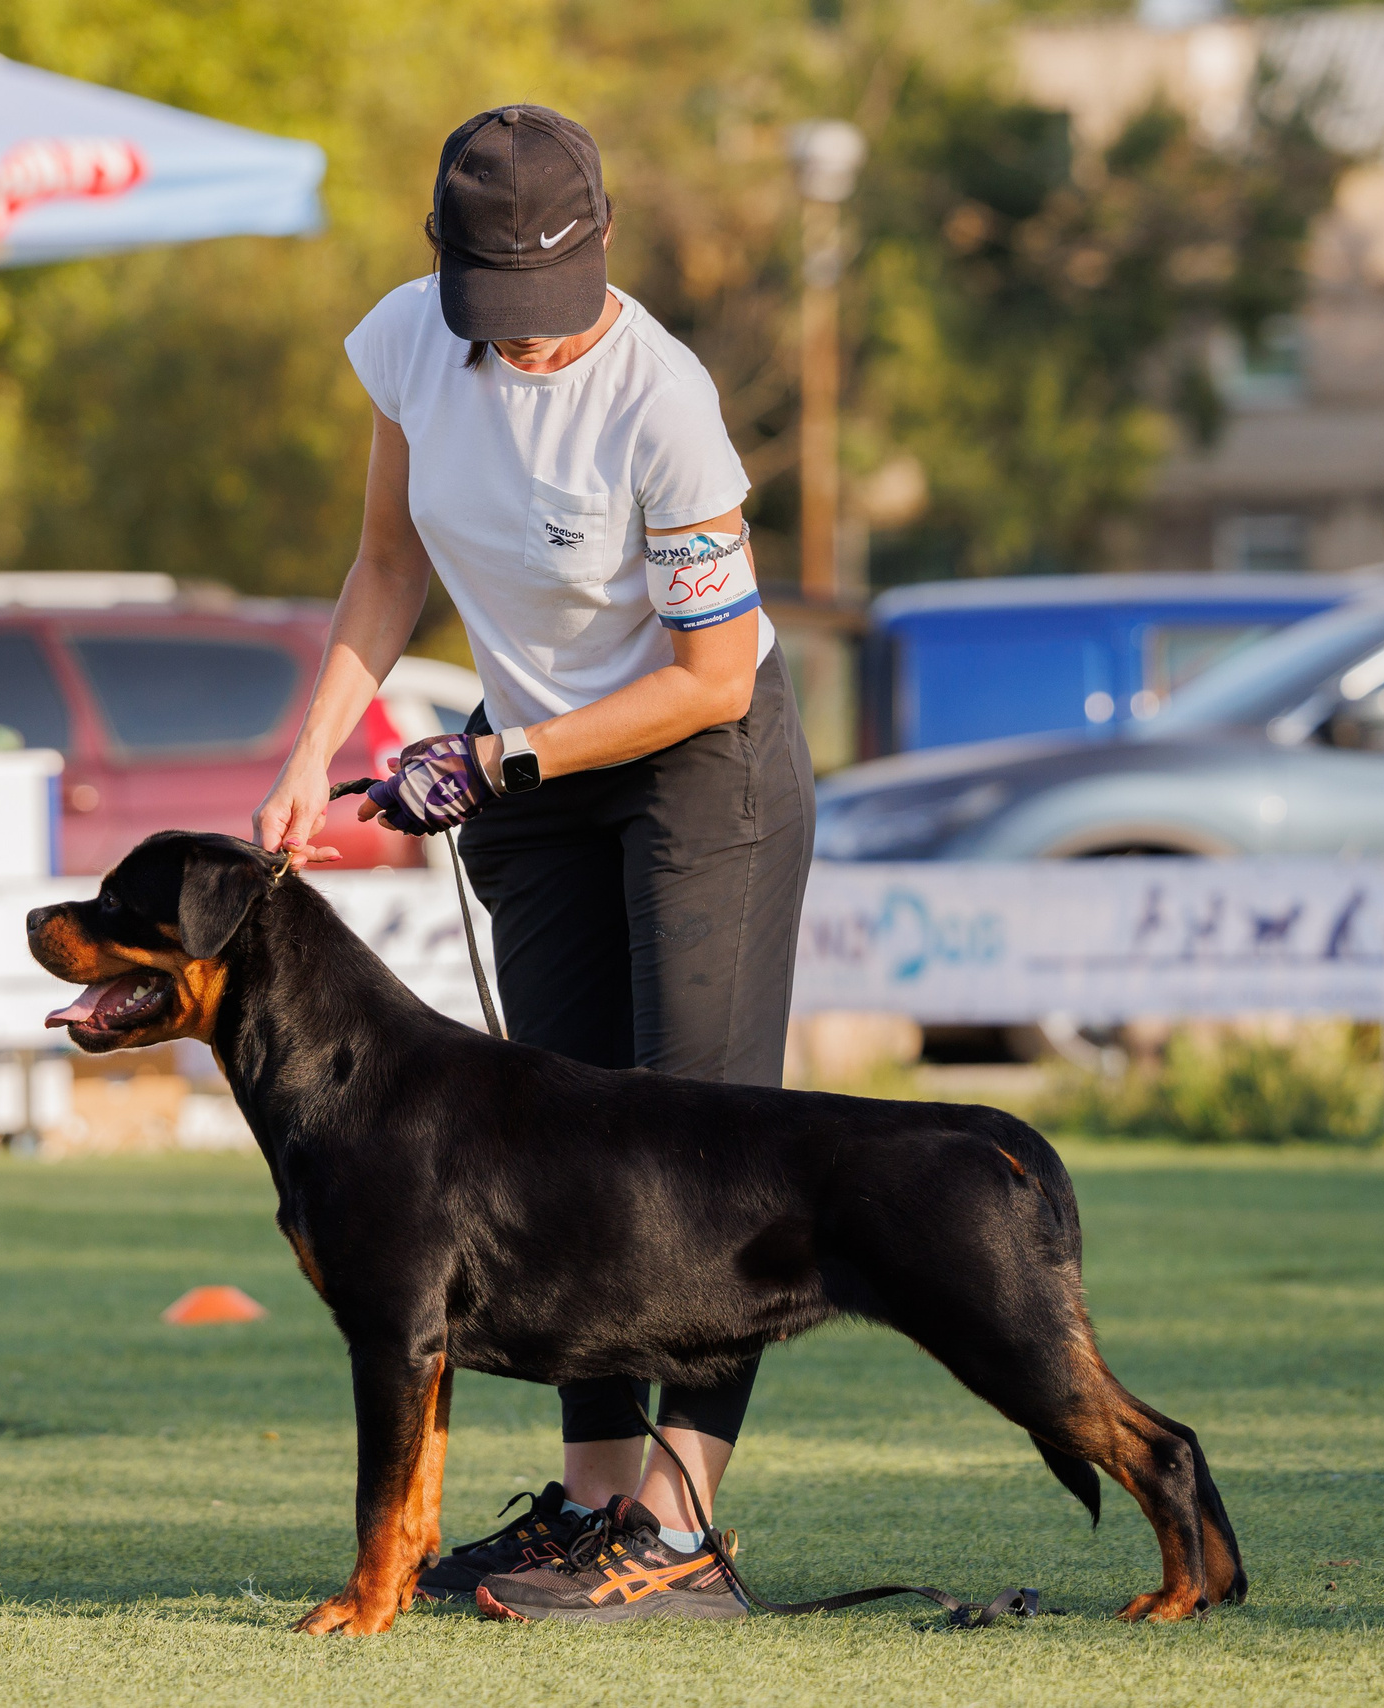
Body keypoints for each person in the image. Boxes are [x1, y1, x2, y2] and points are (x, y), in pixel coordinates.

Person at [253, 103, 815, 1624]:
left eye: (553, 321)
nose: (532, 350)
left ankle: (683, 1523)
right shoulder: (409, 345)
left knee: (695, 1149)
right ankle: (586, 1510)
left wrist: (494, 757)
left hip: (701, 771)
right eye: (504, 320)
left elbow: (705, 676)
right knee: (560, 1144)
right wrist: (315, 749)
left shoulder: (667, 404)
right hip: (533, 776)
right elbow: (388, 561)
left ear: (603, 254)